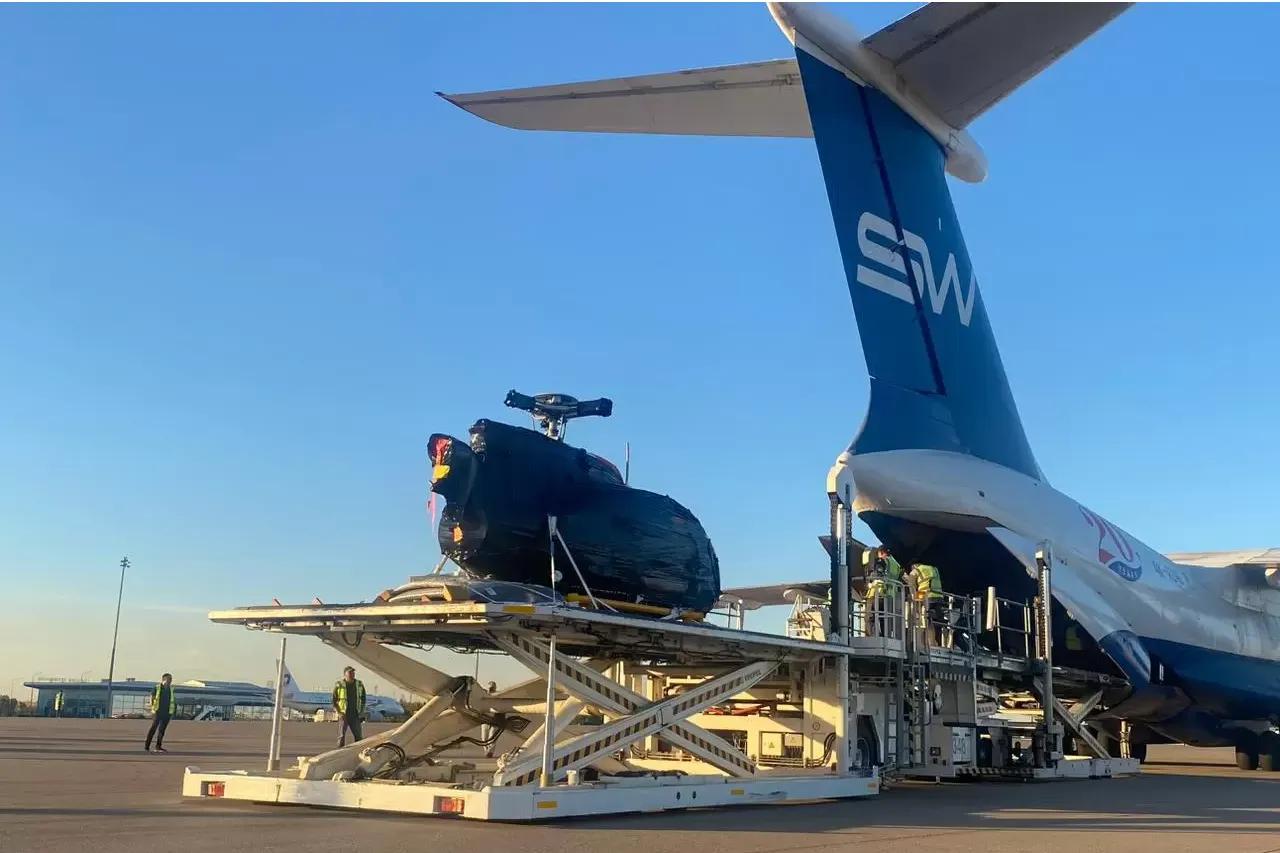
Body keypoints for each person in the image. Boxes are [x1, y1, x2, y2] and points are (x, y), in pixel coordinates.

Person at [332, 666, 367, 747]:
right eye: (350, 672)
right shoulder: (339, 685)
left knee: (358, 736)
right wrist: (339, 713)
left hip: (355, 714)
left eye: (353, 672)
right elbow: (334, 701)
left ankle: (357, 751)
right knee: (341, 736)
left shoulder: (359, 684)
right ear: (345, 674)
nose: (352, 674)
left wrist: (361, 711)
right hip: (344, 714)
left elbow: (363, 699)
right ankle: (340, 751)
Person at [145, 673, 176, 753]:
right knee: (153, 728)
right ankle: (147, 746)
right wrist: (152, 708)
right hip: (158, 711)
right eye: (169, 679)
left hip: (167, 712)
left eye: (171, 679)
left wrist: (172, 712)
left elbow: (172, 700)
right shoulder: (157, 687)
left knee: (162, 730)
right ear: (164, 679)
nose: (170, 681)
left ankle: (158, 746)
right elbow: (152, 697)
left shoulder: (171, 689)